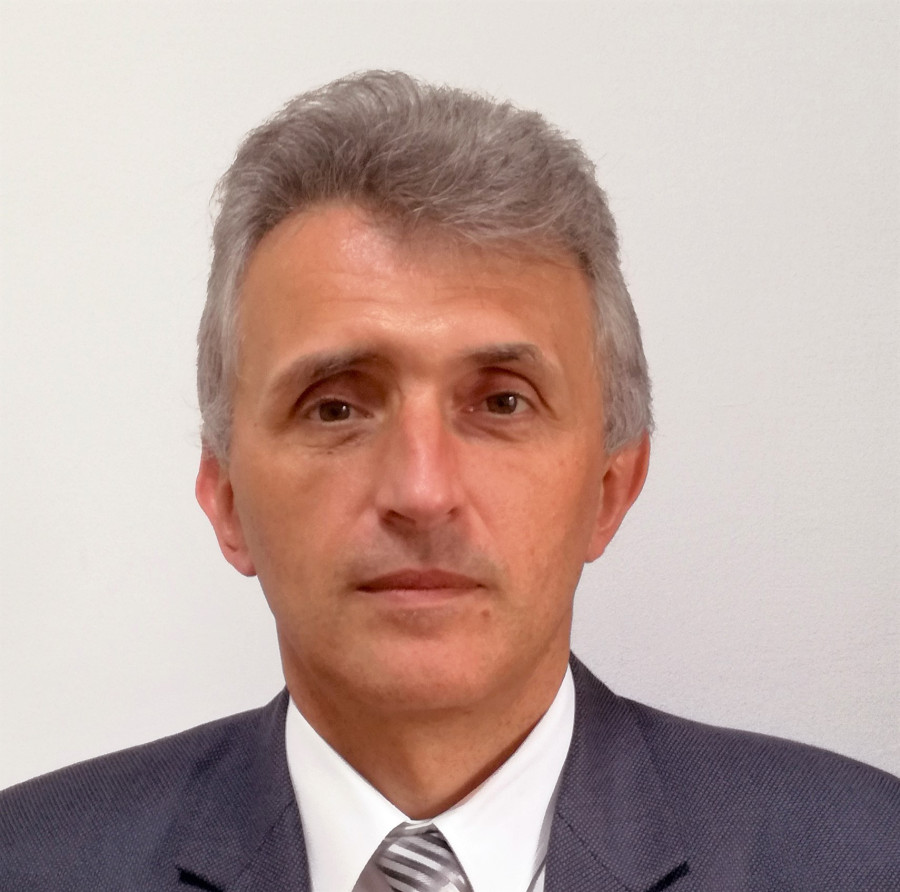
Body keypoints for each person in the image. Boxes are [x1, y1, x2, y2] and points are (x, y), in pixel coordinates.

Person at [1, 70, 897, 892]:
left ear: (611, 488)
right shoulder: (29, 863)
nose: (422, 492)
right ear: (227, 500)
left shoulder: (864, 857)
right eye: (335, 408)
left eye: (502, 402)